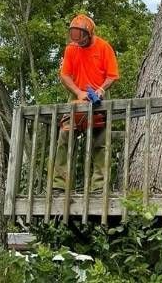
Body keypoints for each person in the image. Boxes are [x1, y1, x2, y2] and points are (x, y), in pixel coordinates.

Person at [52, 14, 119, 193]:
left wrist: (101, 90)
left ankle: (99, 187)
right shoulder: (71, 49)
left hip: (99, 100)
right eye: (76, 39)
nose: (79, 42)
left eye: (82, 39)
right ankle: (59, 185)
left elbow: (112, 76)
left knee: (101, 143)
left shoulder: (104, 47)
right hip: (77, 99)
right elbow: (65, 75)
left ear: (89, 34)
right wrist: (79, 92)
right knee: (64, 139)